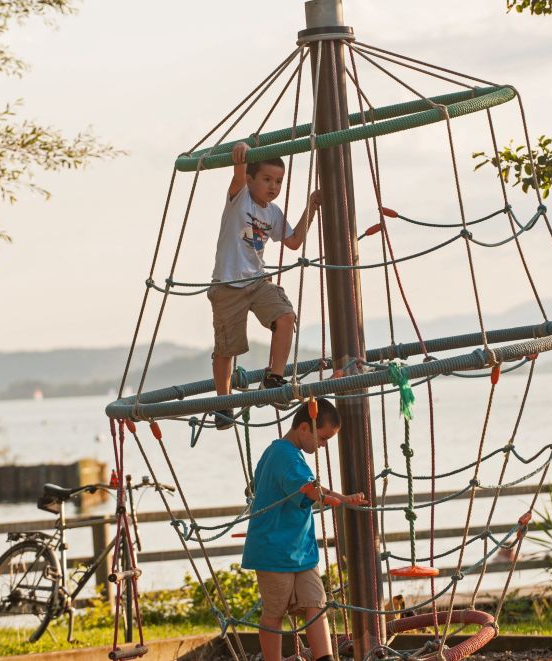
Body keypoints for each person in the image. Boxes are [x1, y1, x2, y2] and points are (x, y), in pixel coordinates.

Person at [241, 398, 365, 661]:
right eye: (323, 438)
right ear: (304, 428)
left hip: (299, 550)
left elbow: (306, 486)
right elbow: (307, 489)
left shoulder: (283, 453)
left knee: (315, 603)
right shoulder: (284, 455)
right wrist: (335, 498)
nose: (323, 445)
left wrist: (340, 497)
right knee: (274, 613)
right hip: (274, 550)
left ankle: (325, 658)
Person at [208, 140, 321, 430]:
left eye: (278, 181)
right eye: (267, 179)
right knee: (226, 348)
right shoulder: (240, 197)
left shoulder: (272, 212)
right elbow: (237, 173)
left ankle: (274, 376)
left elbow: (294, 242)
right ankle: (223, 403)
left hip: (257, 281)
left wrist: (312, 206)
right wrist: (242, 155)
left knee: (285, 317)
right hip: (228, 285)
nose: (273, 186)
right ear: (250, 179)